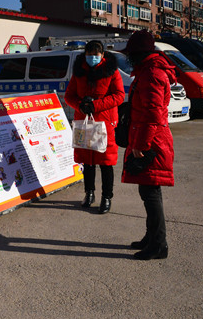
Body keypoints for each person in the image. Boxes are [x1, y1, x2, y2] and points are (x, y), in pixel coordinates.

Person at [119, 30, 176, 260]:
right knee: (149, 191)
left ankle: (158, 244)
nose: (128, 58)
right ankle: (151, 237)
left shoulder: (151, 73)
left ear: (138, 53)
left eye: (130, 54)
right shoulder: (148, 70)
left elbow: (153, 113)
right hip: (150, 137)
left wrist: (141, 145)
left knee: (150, 193)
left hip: (151, 140)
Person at [64, 40, 125, 214]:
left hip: (105, 123)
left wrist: (95, 105)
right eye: (89, 54)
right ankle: (89, 193)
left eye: (96, 55)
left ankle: (107, 197)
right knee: (87, 161)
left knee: (105, 162)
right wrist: (80, 105)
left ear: (102, 55)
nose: (92, 57)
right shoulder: (79, 71)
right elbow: (69, 96)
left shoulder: (111, 71)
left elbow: (119, 95)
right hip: (84, 122)